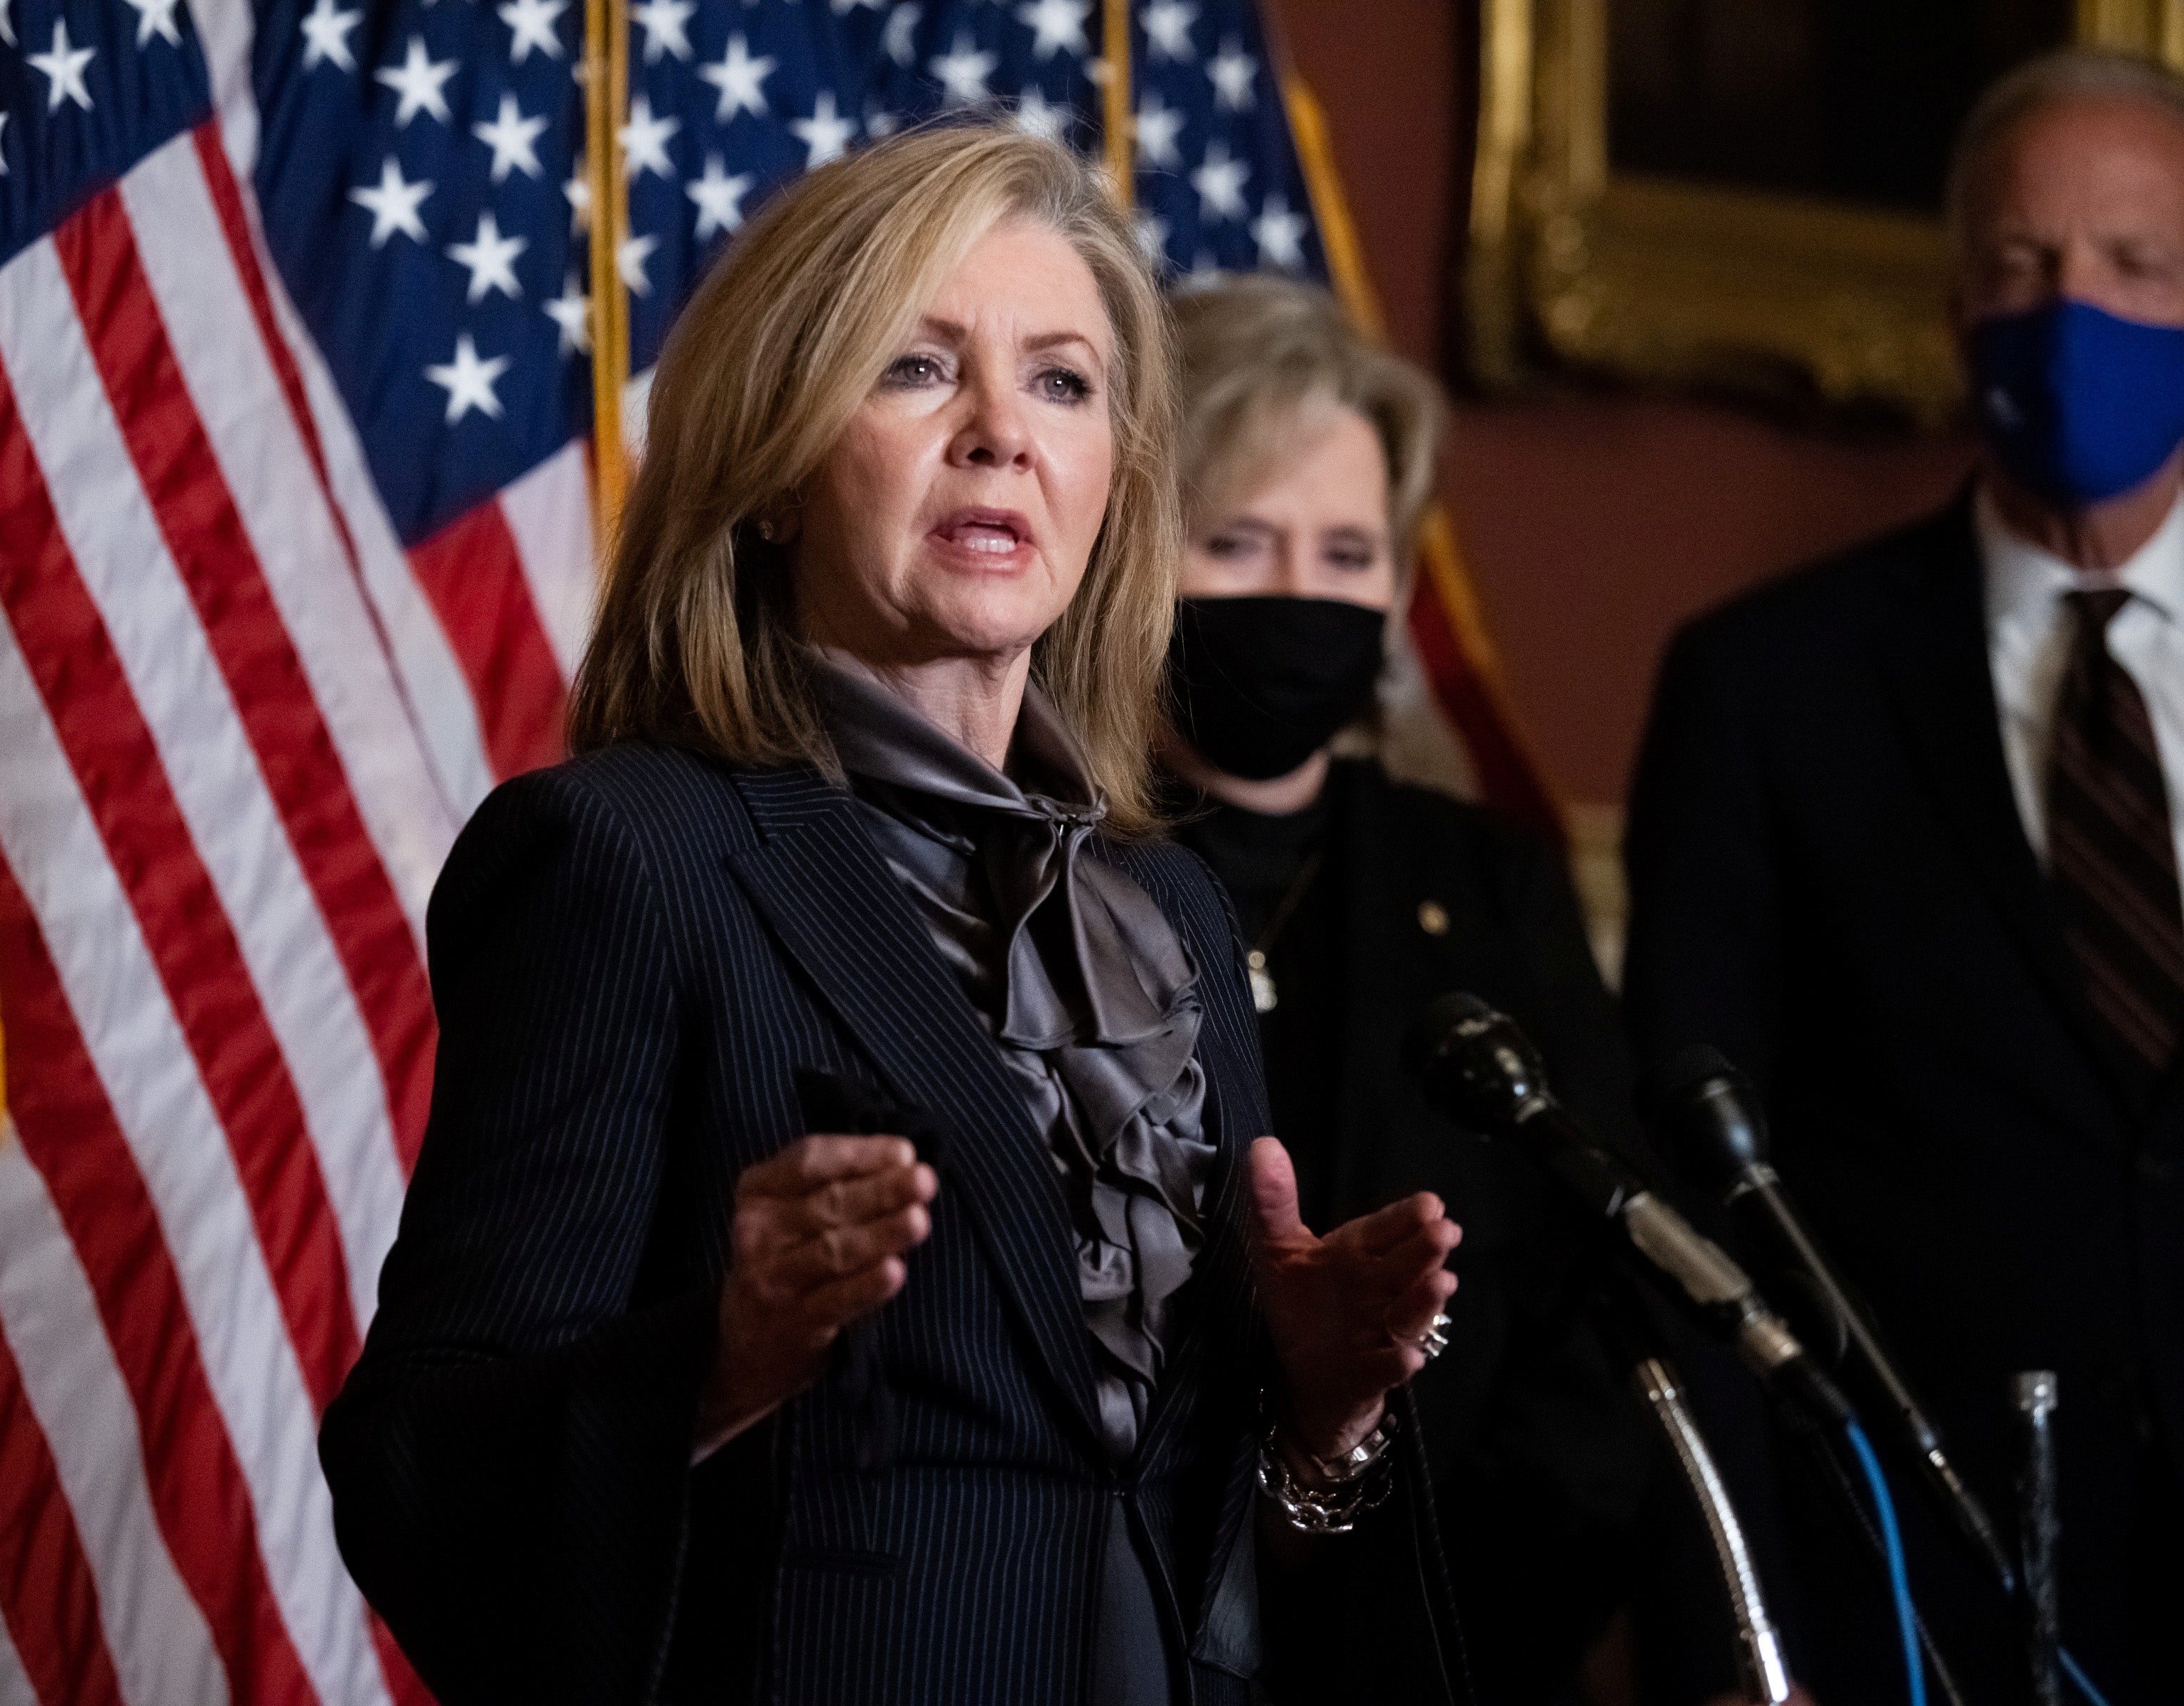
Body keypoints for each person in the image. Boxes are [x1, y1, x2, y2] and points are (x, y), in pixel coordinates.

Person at [319, 124, 1465, 1706]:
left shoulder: (1174, 914)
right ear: (777, 466)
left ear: (1112, 483)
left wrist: (1313, 1420)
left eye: (1062, 382)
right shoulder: (629, 857)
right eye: (920, 370)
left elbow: (1170, 1547)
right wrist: (713, 1360)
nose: (1003, 432)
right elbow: (416, 1464)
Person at [1626, 50, 2184, 1706]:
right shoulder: (1767, 686)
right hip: (1924, 1591)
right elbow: (1694, 1200)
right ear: (1955, 303)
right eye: (2022, 266)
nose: (2068, 307)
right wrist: (1734, 1629)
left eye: (2137, 266)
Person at [1156, 276, 1652, 1705]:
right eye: (1238, 542)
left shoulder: (1488, 883)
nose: (1301, 590)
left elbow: (1592, 1304)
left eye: (1348, 549)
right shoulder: (1041, 863)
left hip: (1458, 1643)